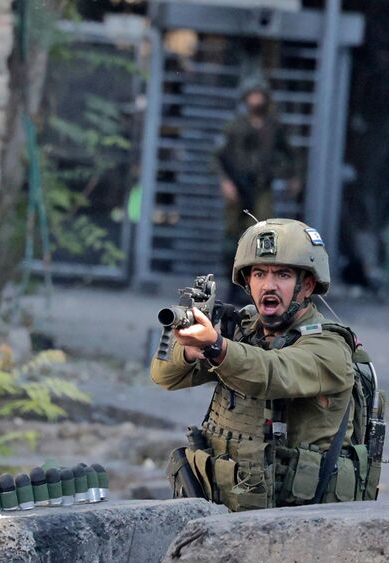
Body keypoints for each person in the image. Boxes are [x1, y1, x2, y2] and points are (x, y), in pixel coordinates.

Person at [152, 218, 376, 510]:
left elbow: (271, 373)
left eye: (282, 275)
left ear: (307, 285)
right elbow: (164, 376)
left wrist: (216, 346)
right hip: (231, 505)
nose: (268, 286)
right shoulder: (245, 330)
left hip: (302, 519)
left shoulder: (329, 347)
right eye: (259, 274)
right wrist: (190, 351)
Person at [214, 76, 301, 293]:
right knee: (233, 236)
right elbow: (218, 156)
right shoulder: (234, 126)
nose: (256, 100)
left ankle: (255, 284)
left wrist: (293, 176)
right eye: (252, 96)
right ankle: (232, 283)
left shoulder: (274, 126)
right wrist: (225, 181)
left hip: (261, 187)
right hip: (237, 187)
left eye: (259, 95)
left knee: (262, 236)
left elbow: (291, 155)